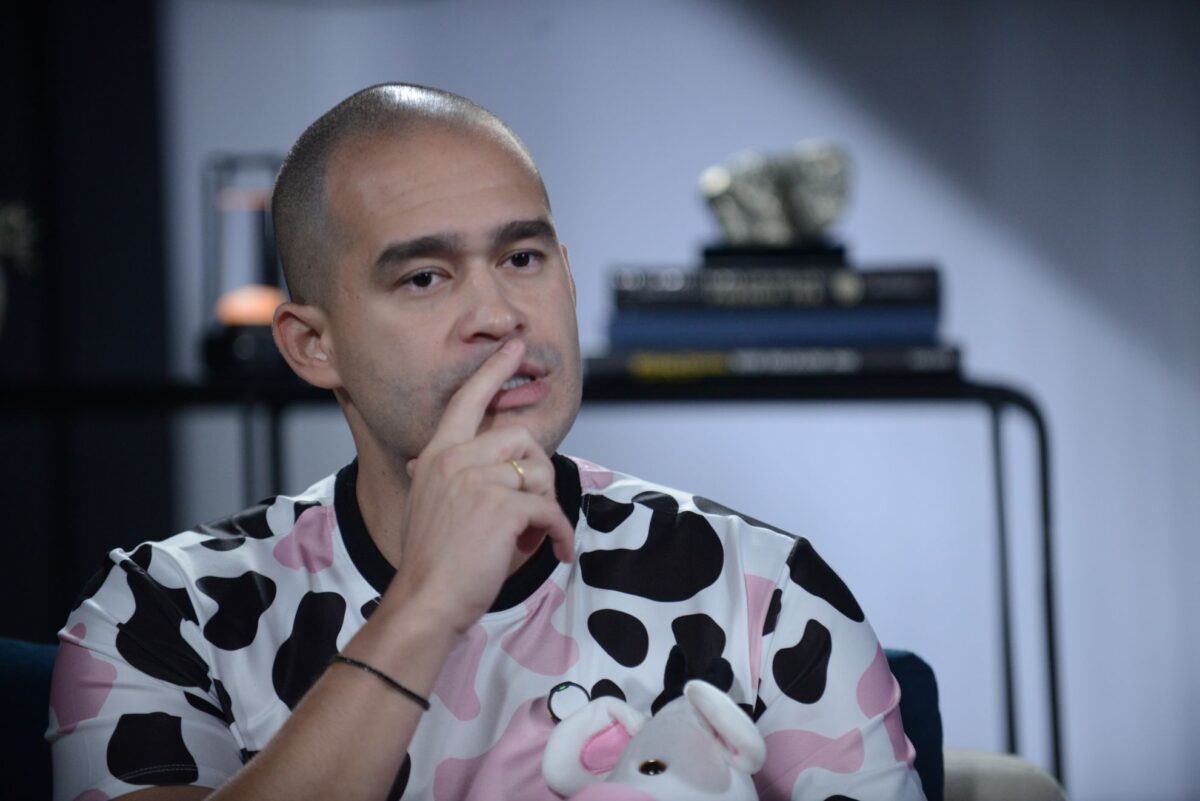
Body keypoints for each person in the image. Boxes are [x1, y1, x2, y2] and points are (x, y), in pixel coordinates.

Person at [47, 83, 926, 801]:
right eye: (425, 277)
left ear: (566, 276)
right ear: (313, 345)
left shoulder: (764, 591)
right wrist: (427, 605)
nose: (499, 315)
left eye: (522, 259)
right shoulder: (161, 612)